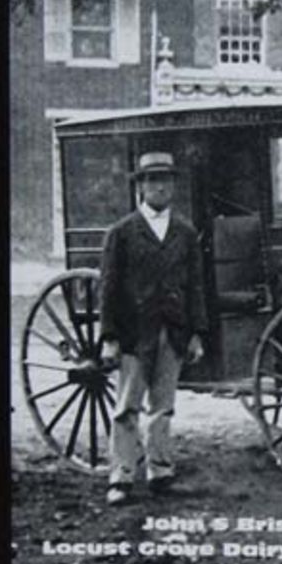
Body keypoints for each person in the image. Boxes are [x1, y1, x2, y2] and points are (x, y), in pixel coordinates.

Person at [97, 151, 207, 506]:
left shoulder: (185, 232)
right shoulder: (123, 232)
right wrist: (110, 338)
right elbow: (109, 289)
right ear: (140, 187)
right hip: (133, 334)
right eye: (152, 180)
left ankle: (161, 473)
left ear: (173, 185)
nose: (159, 186)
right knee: (127, 407)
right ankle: (121, 478)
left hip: (172, 332)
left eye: (166, 179)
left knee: (163, 407)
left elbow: (196, 286)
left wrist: (195, 333)